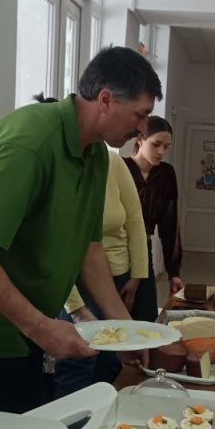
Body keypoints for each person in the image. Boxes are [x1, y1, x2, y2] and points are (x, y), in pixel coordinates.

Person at [0, 47, 162, 413]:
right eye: (140, 114)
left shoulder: (95, 154)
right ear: (105, 100)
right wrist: (40, 327)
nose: (142, 128)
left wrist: (127, 332)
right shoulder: (31, 142)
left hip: (24, 325)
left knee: (30, 425)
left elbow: (90, 250)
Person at [53, 150, 150, 396]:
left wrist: (137, 276)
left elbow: (135, 221)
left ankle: (106, 413)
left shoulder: (111, 161)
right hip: (72, 281)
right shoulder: (56, 163)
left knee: (111, 358)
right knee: (78, 360)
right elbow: (54, 250)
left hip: (115, 279)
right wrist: (77, 308)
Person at [124, 116, 184, 318]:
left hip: (144, 250)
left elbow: (170, 224)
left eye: (166, 147)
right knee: (116, 314)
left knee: (147, 315)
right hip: (116, 251)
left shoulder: (166, 174)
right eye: (156, 144)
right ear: (140, 139)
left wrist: (173, 271)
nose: (161, 152)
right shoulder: (121, 168)